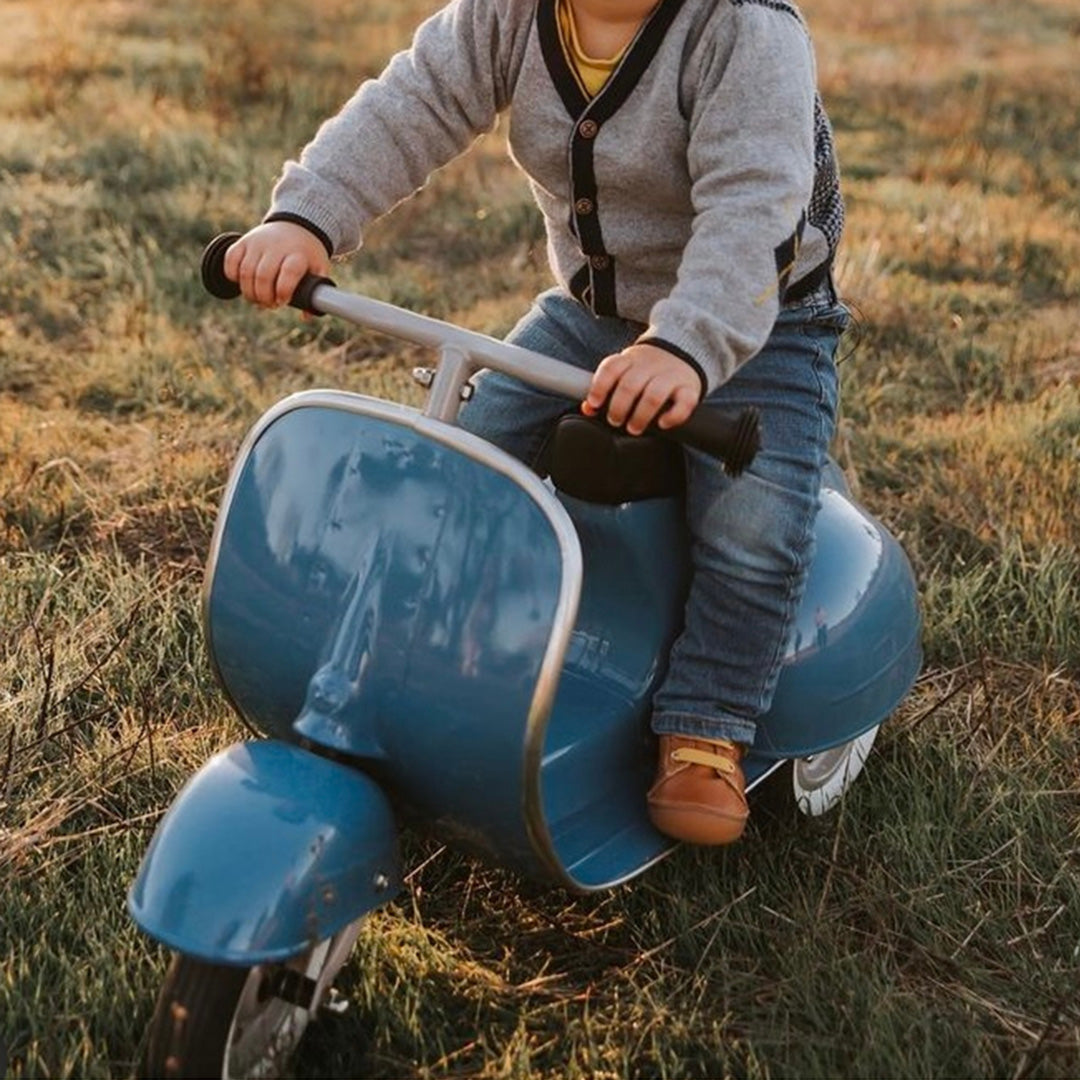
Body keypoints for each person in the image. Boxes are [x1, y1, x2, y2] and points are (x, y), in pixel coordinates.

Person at [223, 0, 848, 846]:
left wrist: (686, 346)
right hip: (594, 314)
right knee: (461, 468)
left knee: (752, 521)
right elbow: (415, 101)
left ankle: (707, 722)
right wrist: (307, 215)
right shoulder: (508, 15)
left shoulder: (743, 32)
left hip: (755, 323)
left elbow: (753, 207)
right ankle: (421, 666)